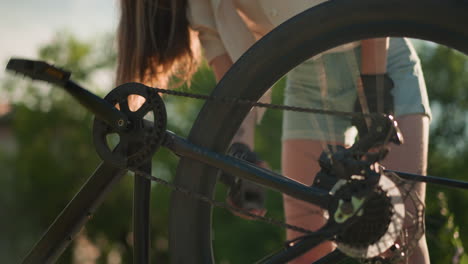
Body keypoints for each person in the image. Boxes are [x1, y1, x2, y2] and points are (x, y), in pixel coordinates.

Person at [115, 0, 431, 263]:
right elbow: (236, 86)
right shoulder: (200, 5)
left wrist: (374, 95)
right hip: (306, 84)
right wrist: (240, 156)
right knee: (306, 251)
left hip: (381, 58)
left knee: (400, 230)